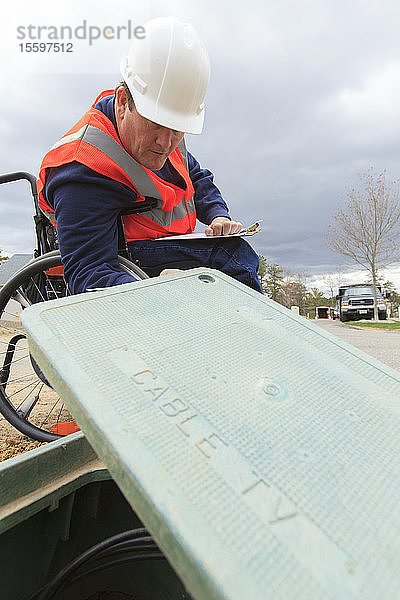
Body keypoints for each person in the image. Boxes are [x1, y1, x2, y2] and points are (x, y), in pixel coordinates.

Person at [37, 16, 262, 294]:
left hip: (165, 242)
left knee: (235, 252)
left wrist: (217, 215)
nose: (166, 143)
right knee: (233, 258)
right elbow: (89, 275)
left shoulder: (166, 135)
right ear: (123, 102)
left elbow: (196, 177)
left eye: (178, 130)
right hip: (125, 257)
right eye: (155, 124)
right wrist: (150, 288)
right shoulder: (82, 169)